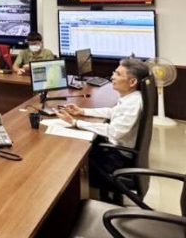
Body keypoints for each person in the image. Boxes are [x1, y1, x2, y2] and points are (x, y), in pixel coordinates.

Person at [57, 58, 149, 191]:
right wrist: (82, 111)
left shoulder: (133, 104)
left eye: (118, 74)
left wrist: (75, 122)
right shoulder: (132, 97)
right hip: (118, 151)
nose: (112, 77)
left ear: (132, 82)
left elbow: (113, 132)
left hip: (117, 159)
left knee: (73, 155)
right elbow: (112, 112)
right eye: (114, 73)